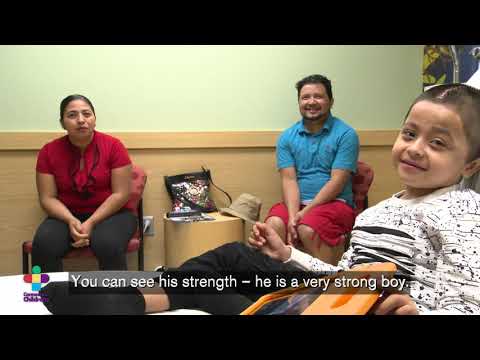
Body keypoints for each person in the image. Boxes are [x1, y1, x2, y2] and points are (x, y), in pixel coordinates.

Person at [41, 83, 480, 315]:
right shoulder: (383, 210)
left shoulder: (461, 211)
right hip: (338, 297)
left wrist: (417, 310)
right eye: (409, 133)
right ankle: (140, 296)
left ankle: (142, 293)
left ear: (470, 165)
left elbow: (468, 302)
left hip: (370, 308)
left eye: (439, 143)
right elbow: (345, 278)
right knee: (233, 260)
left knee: (225, 281)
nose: (416, 148)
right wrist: (288, 253)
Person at [32, 94, 137, 272]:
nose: (81, 120)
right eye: (72, 115)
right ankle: (46, 297)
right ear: (62, 122)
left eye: (86, 114)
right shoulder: (48, 151)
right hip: (66, 215)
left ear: (94, 119)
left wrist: (91, 222)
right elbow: (47, 198)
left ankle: (117, 298)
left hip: (113, 215)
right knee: (43, 245)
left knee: (107, 244)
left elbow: (121, 193)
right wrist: (70, 220)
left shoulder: (114, 146)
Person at [266, 74, 359, 264]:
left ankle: (327, 285)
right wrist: (293, 216)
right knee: (273, 225)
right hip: (297, 204)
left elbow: (337, 182)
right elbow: (289, 180)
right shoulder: (286, 137)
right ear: (299, 102)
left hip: (336, 203)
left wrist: (304, 213)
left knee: (307, 229)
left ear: (331, 101)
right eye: (305, 97)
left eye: (318, 96)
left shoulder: (346, 134)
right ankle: (280, 287)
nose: (311, 102)